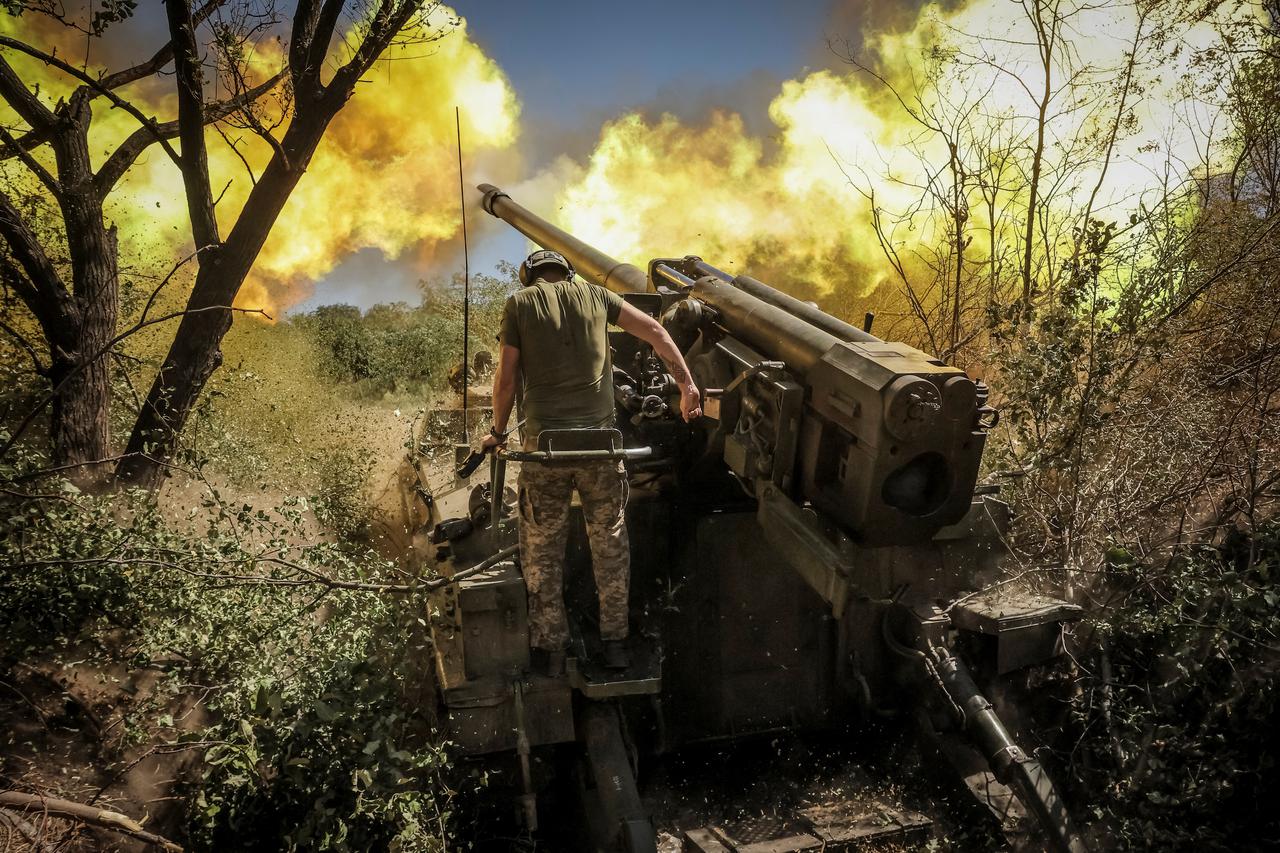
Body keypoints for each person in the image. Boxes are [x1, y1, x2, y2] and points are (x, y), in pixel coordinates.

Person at [480, 249, 700, 676]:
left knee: (543, 551)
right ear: (568, 271)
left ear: (530, 276)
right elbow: (655, 329)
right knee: (611, 547)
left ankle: (552, 652)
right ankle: (616, 645)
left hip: (547, 450)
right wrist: (687, 384)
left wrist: (498, 430)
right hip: (604, 448)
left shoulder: (519, 304)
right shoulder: (599, 297)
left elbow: (506, 377)